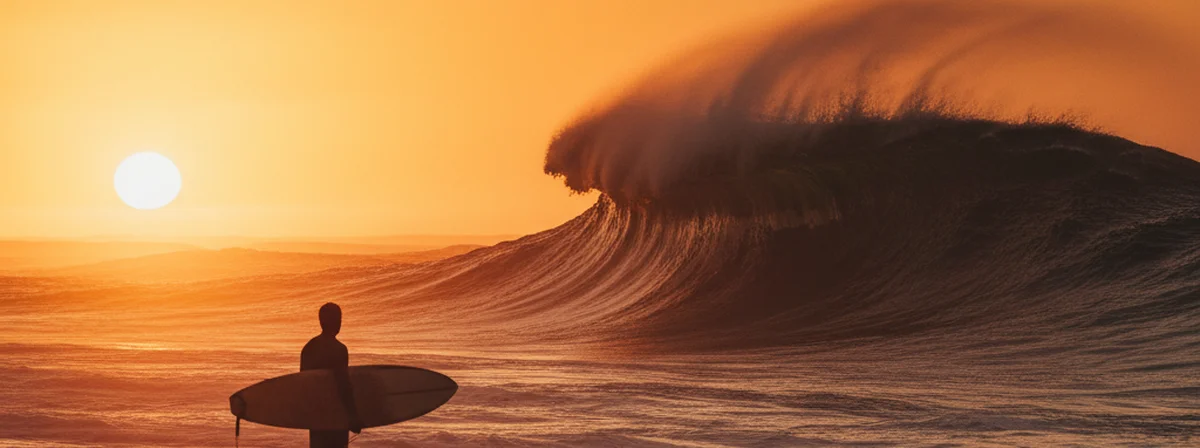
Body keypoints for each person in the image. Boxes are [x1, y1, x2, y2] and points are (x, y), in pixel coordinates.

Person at [301, 303, 363, 447]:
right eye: (339, 318)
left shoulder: (309, 347)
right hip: (336, 416)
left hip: (316, 416)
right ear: (333, 321)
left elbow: (303, 385)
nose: (341, 322)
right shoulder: (339, 349)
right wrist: (353, 416)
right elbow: (343, 385)